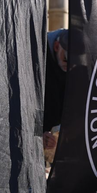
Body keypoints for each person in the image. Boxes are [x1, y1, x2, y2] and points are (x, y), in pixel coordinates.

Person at [42, 29, 68, 157]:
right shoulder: (39, 55)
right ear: (57, 46)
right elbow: (29, 100)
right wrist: (37, 133)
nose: (68, 66)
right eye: (66, 59)